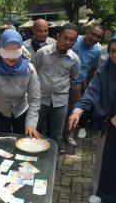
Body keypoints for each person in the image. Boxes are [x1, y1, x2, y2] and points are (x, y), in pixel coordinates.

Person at [69, 33, 116, 203]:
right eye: (111, 51)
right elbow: (92, 91)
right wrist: (78, 110)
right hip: (113, 123)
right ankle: (102, 192)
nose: (115, 56)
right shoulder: (106, 69)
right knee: (108, 159)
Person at [0, 29, 41, 138]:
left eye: (15, 53)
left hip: (21, 110)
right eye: (7, 53)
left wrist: (31, 123)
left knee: (22, 140)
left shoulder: (29, 69)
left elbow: (35, 98)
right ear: (1, 49)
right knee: (2, 141)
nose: (10, 58)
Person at [36, 23, 80, 153]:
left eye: (71, 40)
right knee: (35, 131)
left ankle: (51, 160)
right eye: (65, 38)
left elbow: (73, 77)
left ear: (75, 41)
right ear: (58, 36)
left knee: (56, 135)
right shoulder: (42, 53)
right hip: (40, 100)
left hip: (60, 102)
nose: (67, 42)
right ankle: (34, 158)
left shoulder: (74, 59)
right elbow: (36, 71)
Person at [65, 25, 104, 146]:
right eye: (93, 34)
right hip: (62, 79)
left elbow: (93, 67)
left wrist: (86, 80)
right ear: (87, 32)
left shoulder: (97, 50)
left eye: (99, 37)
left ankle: (69, 135)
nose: (95, 38)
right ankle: (54, 134)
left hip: (77, 82)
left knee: (73, 110)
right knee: (57, 108)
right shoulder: (74, 40)